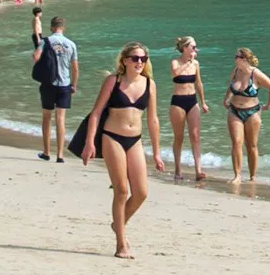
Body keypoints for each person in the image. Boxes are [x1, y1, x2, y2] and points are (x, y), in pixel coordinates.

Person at [77, 43, 162, 260]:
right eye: (135, 58)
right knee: (122, 191)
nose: (139, 62)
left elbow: (153, 120)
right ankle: (121, 244)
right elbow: (96, 113)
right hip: (112, 137)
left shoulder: (150, 84)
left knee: (142, 192)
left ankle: (118, 224)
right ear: (124, 60)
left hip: (135, 141)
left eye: (143, 58)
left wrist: (157, 152)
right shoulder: (113, 81)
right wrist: (89, 143)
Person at [224, 47, 270, 195]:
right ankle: (237, 175)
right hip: (234, 110)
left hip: (252, 111)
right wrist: (226, 99)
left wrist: (268, 105)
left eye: (237, 56)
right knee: (236, 142)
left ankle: (253, 176)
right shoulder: (235, 71)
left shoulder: (255, 74)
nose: (235, 59)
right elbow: (230, 86)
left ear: (245, 59)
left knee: (251, 145)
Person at [166, 36, 211, 184]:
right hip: (178, 102)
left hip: (192, 101)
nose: (195, 50)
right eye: (192, 47)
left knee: (195, 135)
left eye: (195, 47)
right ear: (184, 48)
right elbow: (175, 73)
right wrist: (189, 62)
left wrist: (203, 102)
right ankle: (178, 169)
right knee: (179, 137)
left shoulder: (196, 64)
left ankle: (198, 170)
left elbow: (199, 83)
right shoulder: (175, 62)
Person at [34, 16, 79, 159]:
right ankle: (60, 155)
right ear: (63, 28)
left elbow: (36, 57)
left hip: (48, 84)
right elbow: (75, 68)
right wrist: (74, 84)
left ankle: (46, 152)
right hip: (65, 84)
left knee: (46, 118)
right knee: (61, 119)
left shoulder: (45, 42)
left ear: (52, 27)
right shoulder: (71, 44)